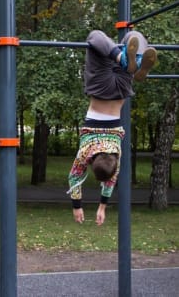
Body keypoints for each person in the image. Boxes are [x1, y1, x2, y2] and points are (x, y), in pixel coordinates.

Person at [67, 30, 157, 226]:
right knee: (94, 36)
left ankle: (135, 62)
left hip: (121, 91)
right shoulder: (85, 154)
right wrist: (77, 206)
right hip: (99, 89)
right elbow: (74, 178)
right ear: (92, 161)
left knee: (135, 34)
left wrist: (102, 207)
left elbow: (109, 183)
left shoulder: (116, 154)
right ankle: (121, 57)